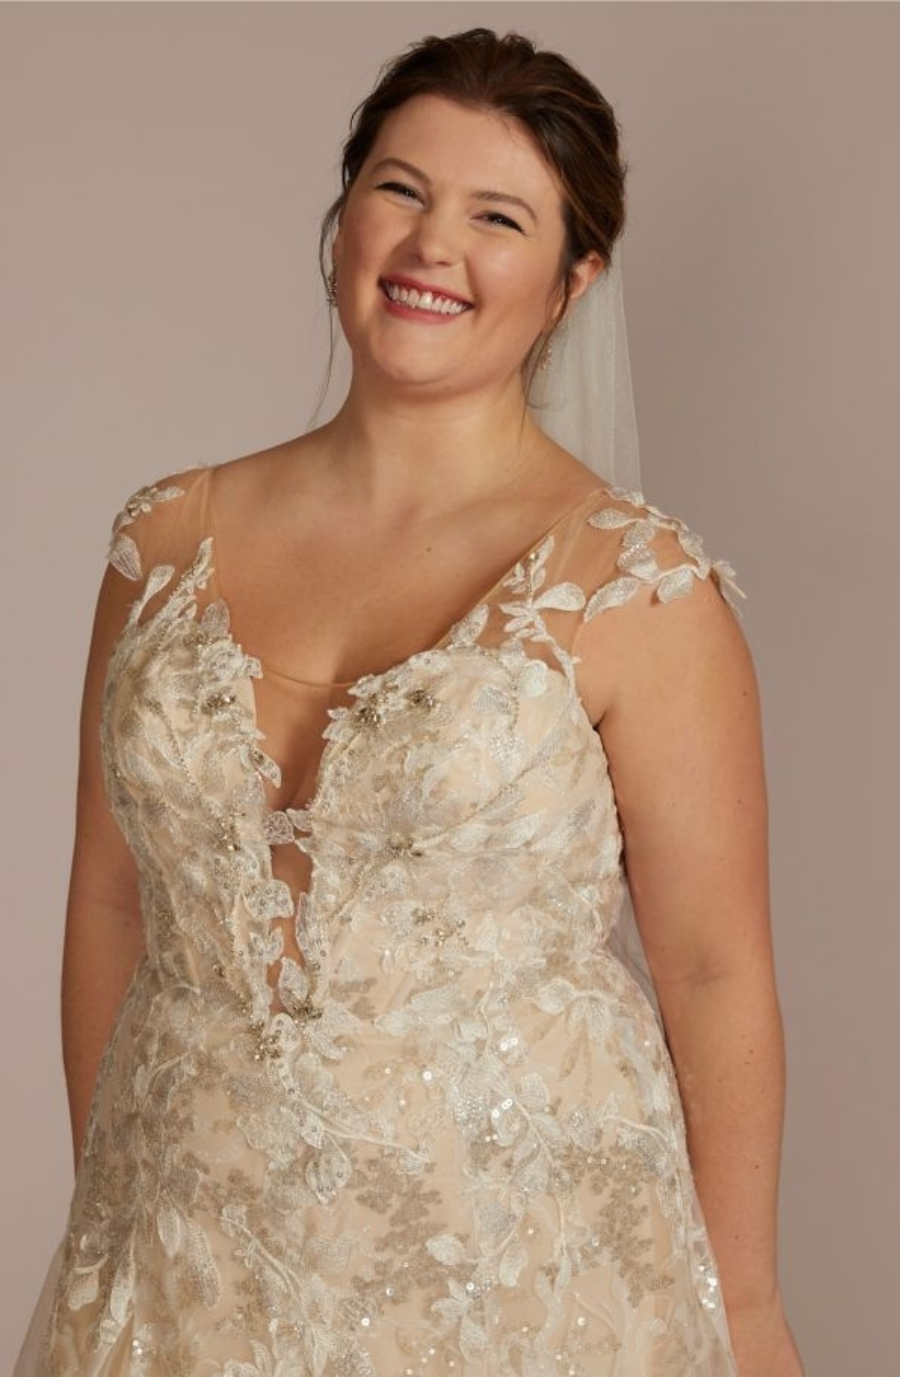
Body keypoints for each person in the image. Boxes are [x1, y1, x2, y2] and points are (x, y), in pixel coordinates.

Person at [14, 27, 803, 1377]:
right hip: (190, 1263)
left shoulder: (636, 589)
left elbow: (715, 973)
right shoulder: (163, 541)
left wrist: (748, 1306)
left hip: (514, 1269)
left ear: (572, 281)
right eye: (401, 189)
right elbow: (108, 902)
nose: (434, 245)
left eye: (499, 216)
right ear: (343, 223)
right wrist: (118, 1209)